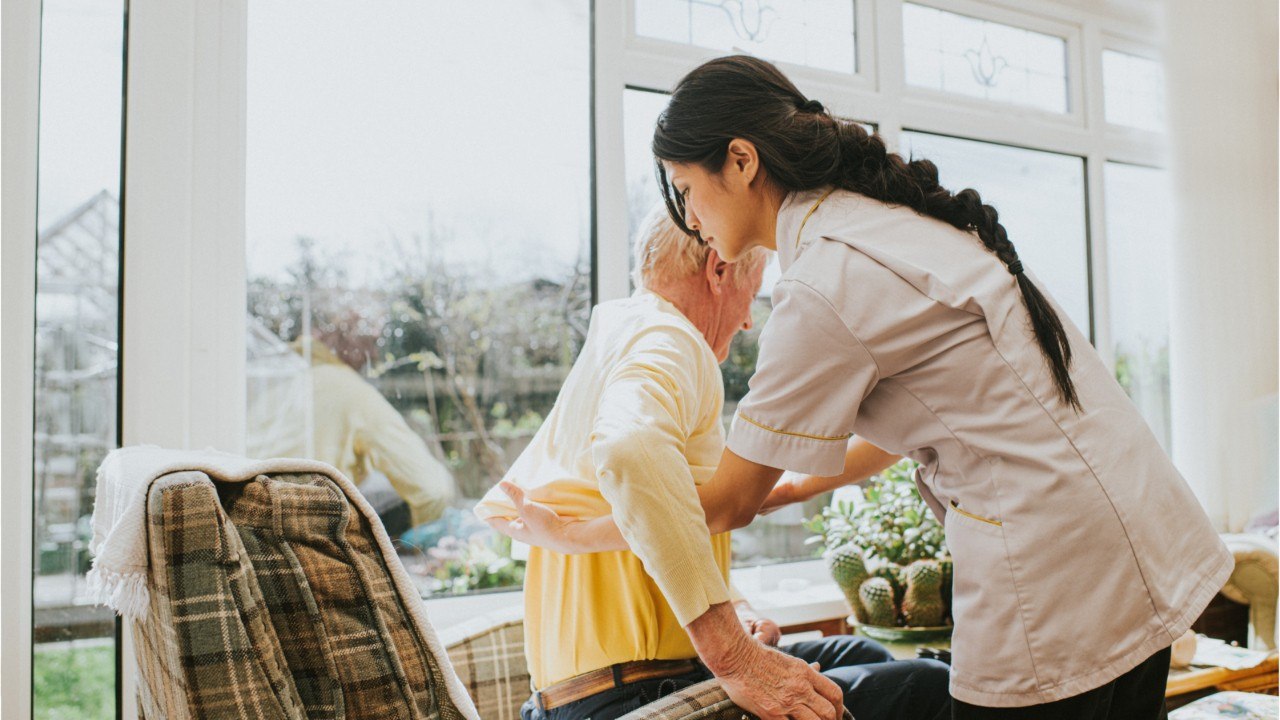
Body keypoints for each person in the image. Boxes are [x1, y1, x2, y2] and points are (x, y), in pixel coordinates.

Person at [498, 55, 1234, 720]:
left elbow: (728, 499)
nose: (689, 217)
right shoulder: (882, 225)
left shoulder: (822, 280)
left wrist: (568, 534)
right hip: (1134, 537)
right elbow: (872, 442)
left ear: (742, 161)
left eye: (688, 189)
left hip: (1056, 570)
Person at [476, 208, 951, 720]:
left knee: (861, 655)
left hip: (588, 694)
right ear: (718, 269)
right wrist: (733, 654)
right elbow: (630, 450)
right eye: (755, 289)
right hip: (628, 698)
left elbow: (708, 503)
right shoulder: (670, 339)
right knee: (928, 685)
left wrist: (736, 606)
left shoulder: (622, 335)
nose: (749, 319)